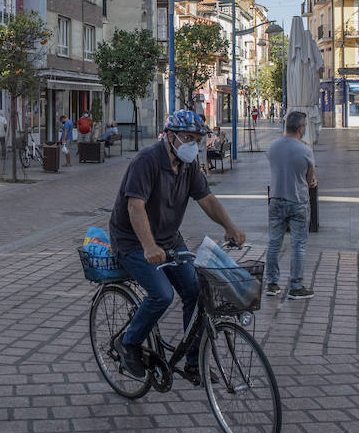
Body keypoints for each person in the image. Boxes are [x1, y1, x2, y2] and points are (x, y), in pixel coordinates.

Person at [108, 109, 247, 383]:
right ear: (170, 136)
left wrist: (229, 227)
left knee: (195, 292)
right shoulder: (146, 161)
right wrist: (148, 247)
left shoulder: (188, 165)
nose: (193, 145)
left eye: (197, 139)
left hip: (169, 238)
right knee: (161, 294)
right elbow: (135, 207)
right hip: (133, 241)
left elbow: (206, 198)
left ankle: (194, 363)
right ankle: (129, 342)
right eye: (187, 138)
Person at [266, 111, 318, 298]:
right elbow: (310, 178)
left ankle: (272, 284)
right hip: (298, 201)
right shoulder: (305, 150)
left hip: (276, 199)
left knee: (274, 243)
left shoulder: (272, 146)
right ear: (301, 128)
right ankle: (296, 287)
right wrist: (311, 179)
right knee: (298, 245)